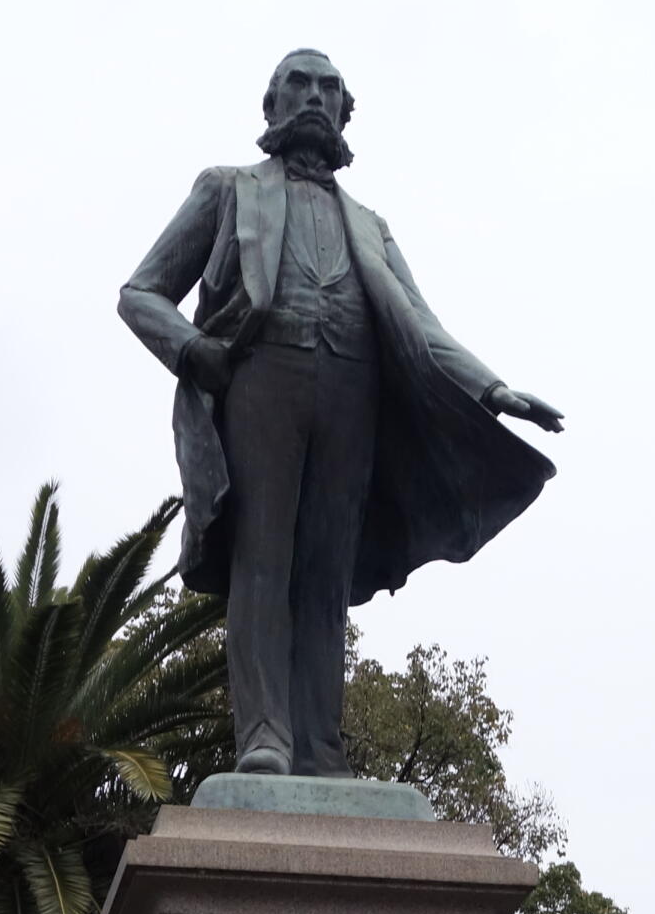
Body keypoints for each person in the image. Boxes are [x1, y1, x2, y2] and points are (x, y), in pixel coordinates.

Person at [120, 49, 564, 776]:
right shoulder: (227, 189)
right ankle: (264, 736)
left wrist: (492, 391)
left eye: (329, 88)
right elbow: (140, 293)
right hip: (262, 378)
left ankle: (320, 749)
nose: (314, 98)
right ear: (271, 104)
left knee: (326, 573)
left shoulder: (369, 224)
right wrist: (195, 350)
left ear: (345, 111)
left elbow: (420, 324)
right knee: (263, 557)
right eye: (298, 84)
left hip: (354, 391)